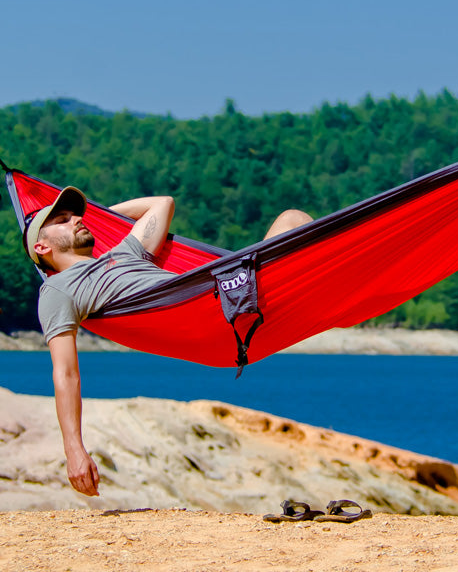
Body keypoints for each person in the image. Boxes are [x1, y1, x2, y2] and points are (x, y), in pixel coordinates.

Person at [24, 186, 312, 496]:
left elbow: (163, 203)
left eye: (74, 215)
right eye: (63, 220)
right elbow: (65, 373)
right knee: (296, 225)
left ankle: (355, 292)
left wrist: (99, 217)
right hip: (213, 316)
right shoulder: (58, 290)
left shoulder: (124, 251)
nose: (76, 219)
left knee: (293, 218)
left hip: (240, 294)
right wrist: (74, 449)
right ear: (42, 247)